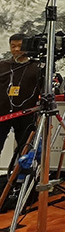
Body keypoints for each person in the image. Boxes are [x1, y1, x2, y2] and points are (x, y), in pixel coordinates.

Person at [0, 34, 41, 173]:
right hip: (2, 114)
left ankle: (24, 179)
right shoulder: (3, 66)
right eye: (13, 46)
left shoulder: (36, 67)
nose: (16, 49)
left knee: (25, 149)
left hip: (26, 115)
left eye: (20, 46)